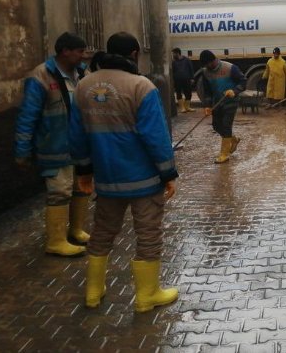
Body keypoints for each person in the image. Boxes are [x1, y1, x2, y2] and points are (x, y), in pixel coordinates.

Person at [69, 32, 179, 312]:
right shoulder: (142, 86)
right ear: (133, 54)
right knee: (148, 234)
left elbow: (76, 134)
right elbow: (155, 136)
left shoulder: (83, 86)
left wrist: (84, 171)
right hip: (143, 178)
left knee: (102, 232)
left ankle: (93, 292)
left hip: (107, 179)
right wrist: (168, 173)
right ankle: (147, 295)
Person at [14, 32, 90, 257]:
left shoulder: (83, 72)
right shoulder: (40, 76)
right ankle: (56, 240)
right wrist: (22, 151)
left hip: (79, 145)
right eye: (79, 51)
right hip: (54, 145)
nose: (82, 55)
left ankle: (75, 230)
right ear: (65, 51)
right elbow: (27, 116)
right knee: (59, 191)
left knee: (81, 188)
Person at [198, 50, 246, 164]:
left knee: (226, 125)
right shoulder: (205, 72)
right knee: (216, 126)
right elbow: (207, 91)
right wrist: (207, 106)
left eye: (208, 64)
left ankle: (224, 154)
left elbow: (243, 81)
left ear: (213, 60)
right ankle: (233, 140)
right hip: (217, 102)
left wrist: (234, 91)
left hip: (231, 101)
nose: (207, 66)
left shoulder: (230, 68)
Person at [172, 47, 195, 113]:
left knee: (188, 93)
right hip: (177, 80)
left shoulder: (186, 60)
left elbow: (191, 69)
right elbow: (173, 72)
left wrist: (192, 78)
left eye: (174, 53)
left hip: (187, 79)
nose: (173, 55)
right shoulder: (173, 62)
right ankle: (182, 108)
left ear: (177, 53)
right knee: (179, 93)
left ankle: (187, 107)